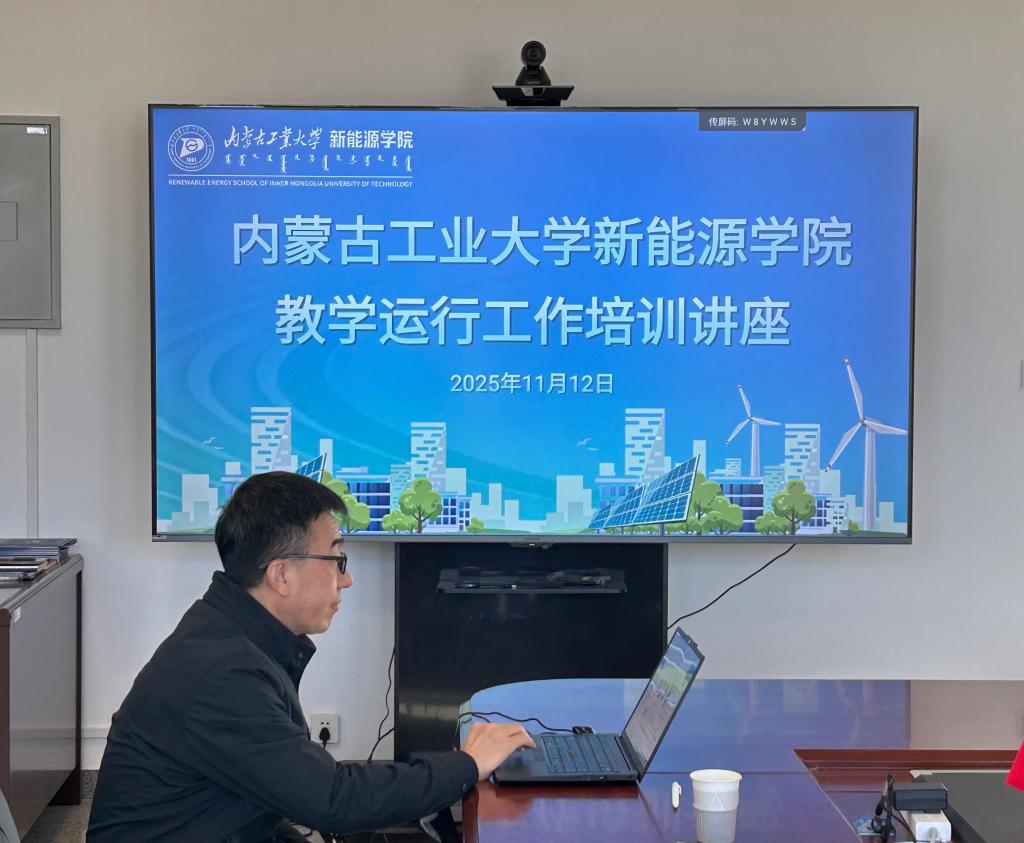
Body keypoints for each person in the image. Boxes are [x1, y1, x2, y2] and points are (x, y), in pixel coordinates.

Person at [87, 471, 533, 843]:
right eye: (337, 558)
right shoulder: (223, 673)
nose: (347, 579)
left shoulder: (228, 632)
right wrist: (467, 764)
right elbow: (334, 801)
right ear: (281, 574)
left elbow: (268, 799)